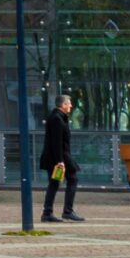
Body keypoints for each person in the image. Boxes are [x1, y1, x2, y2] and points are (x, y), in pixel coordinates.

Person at [40, 95, 83, 223]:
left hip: (57, 157)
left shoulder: (58, 117)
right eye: (69, 103)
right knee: (72, 179)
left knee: (54, 183)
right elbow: (56, 142)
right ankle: (67, 211)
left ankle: (48, 212)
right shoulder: (57, 119)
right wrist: (60, 162)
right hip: (59, 157)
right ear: (62, 105)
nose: (70, 106)